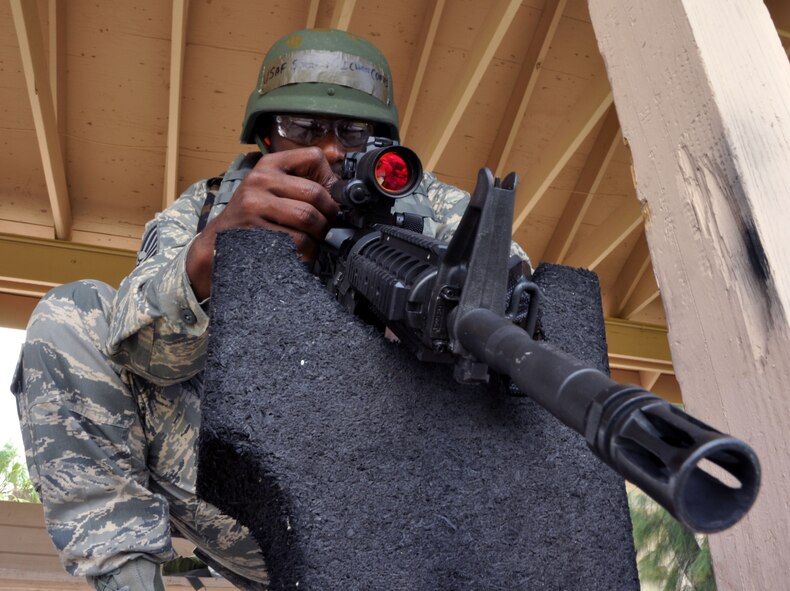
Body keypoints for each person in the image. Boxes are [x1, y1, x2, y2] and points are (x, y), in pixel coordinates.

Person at [11, 28, 528, 590]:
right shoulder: (210, 207)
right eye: (302, 128)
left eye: (354, 133)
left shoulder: (440, 210)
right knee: (73, 314)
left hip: (405, 506)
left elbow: (522, 325)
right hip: (250, 496)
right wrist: (216, 257)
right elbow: (139, 353)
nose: (330, 151)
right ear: (264, 137)